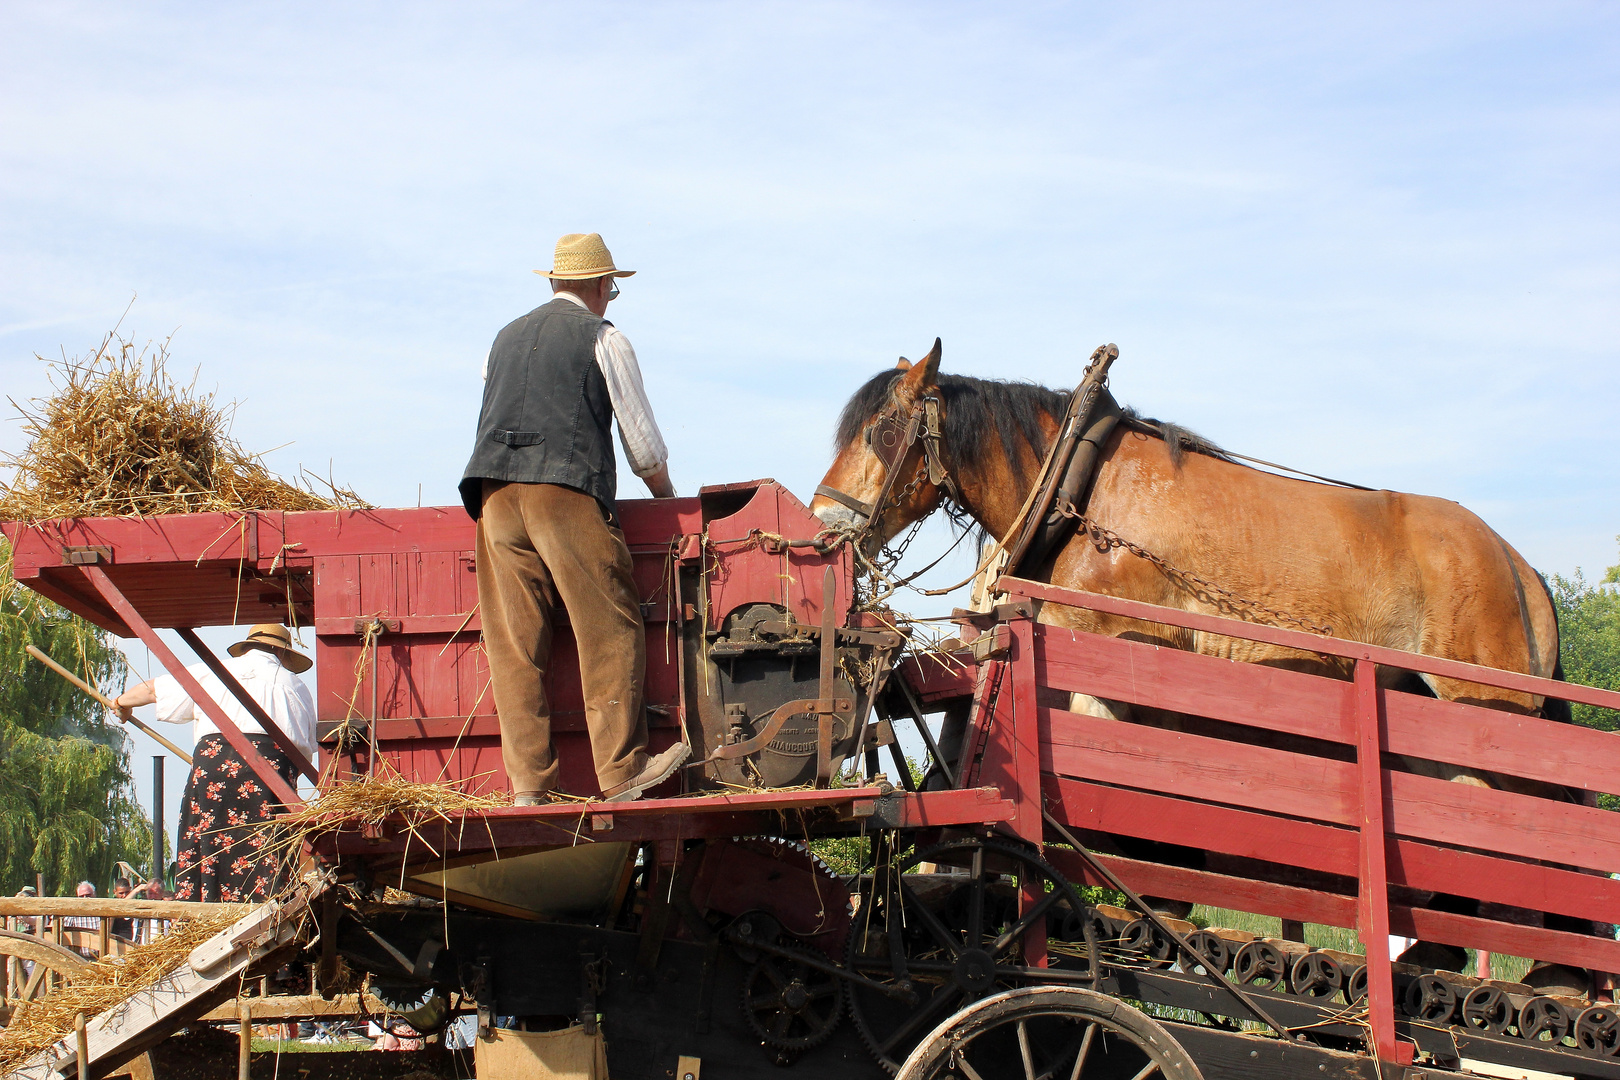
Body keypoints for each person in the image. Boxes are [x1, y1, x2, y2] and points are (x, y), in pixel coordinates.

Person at [459, 232, 687, 805]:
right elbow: (643, 447)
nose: (611, 296)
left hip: (492, 496)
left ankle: (531, 788)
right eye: (611, 286)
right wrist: (668, 503)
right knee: (608, 628)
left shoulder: (503, 339)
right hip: (563, 488)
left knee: (514, 645)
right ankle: (623, 772)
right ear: (595, 285)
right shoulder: (604, 338)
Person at [114, 624, 317, 902]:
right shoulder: (294, 684)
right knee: (266, 838)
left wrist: (121, 702)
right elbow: (306, 748)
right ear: (282, 653)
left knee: (207, 833)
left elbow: (152, 691)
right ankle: (264, 901)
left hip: (213, 763)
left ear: (247, 647)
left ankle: (204, 901)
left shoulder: (214, 671)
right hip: (271, 768)